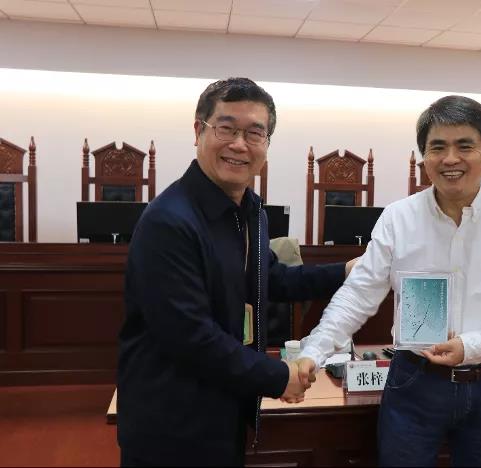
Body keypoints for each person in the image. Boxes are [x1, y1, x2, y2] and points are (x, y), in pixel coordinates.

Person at [297, 95, 481, 466]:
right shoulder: (399, 218)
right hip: (414, 382)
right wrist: (313, 351)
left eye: (465, 146)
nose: (450, 159)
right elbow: (358, 294)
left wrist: (472, 346)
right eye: (437, 147)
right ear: (424, 156)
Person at [117, 77, 352, 467]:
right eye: (226, 129)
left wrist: (345, 271)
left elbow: (271, 279)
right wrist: (279, 376)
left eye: (254, 133)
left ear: (266, 144)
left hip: (225, 407)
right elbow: (191, 337)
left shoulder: (250, 212)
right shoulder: (169, 222)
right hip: (170, 423)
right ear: (199, 130)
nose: (240, 144)